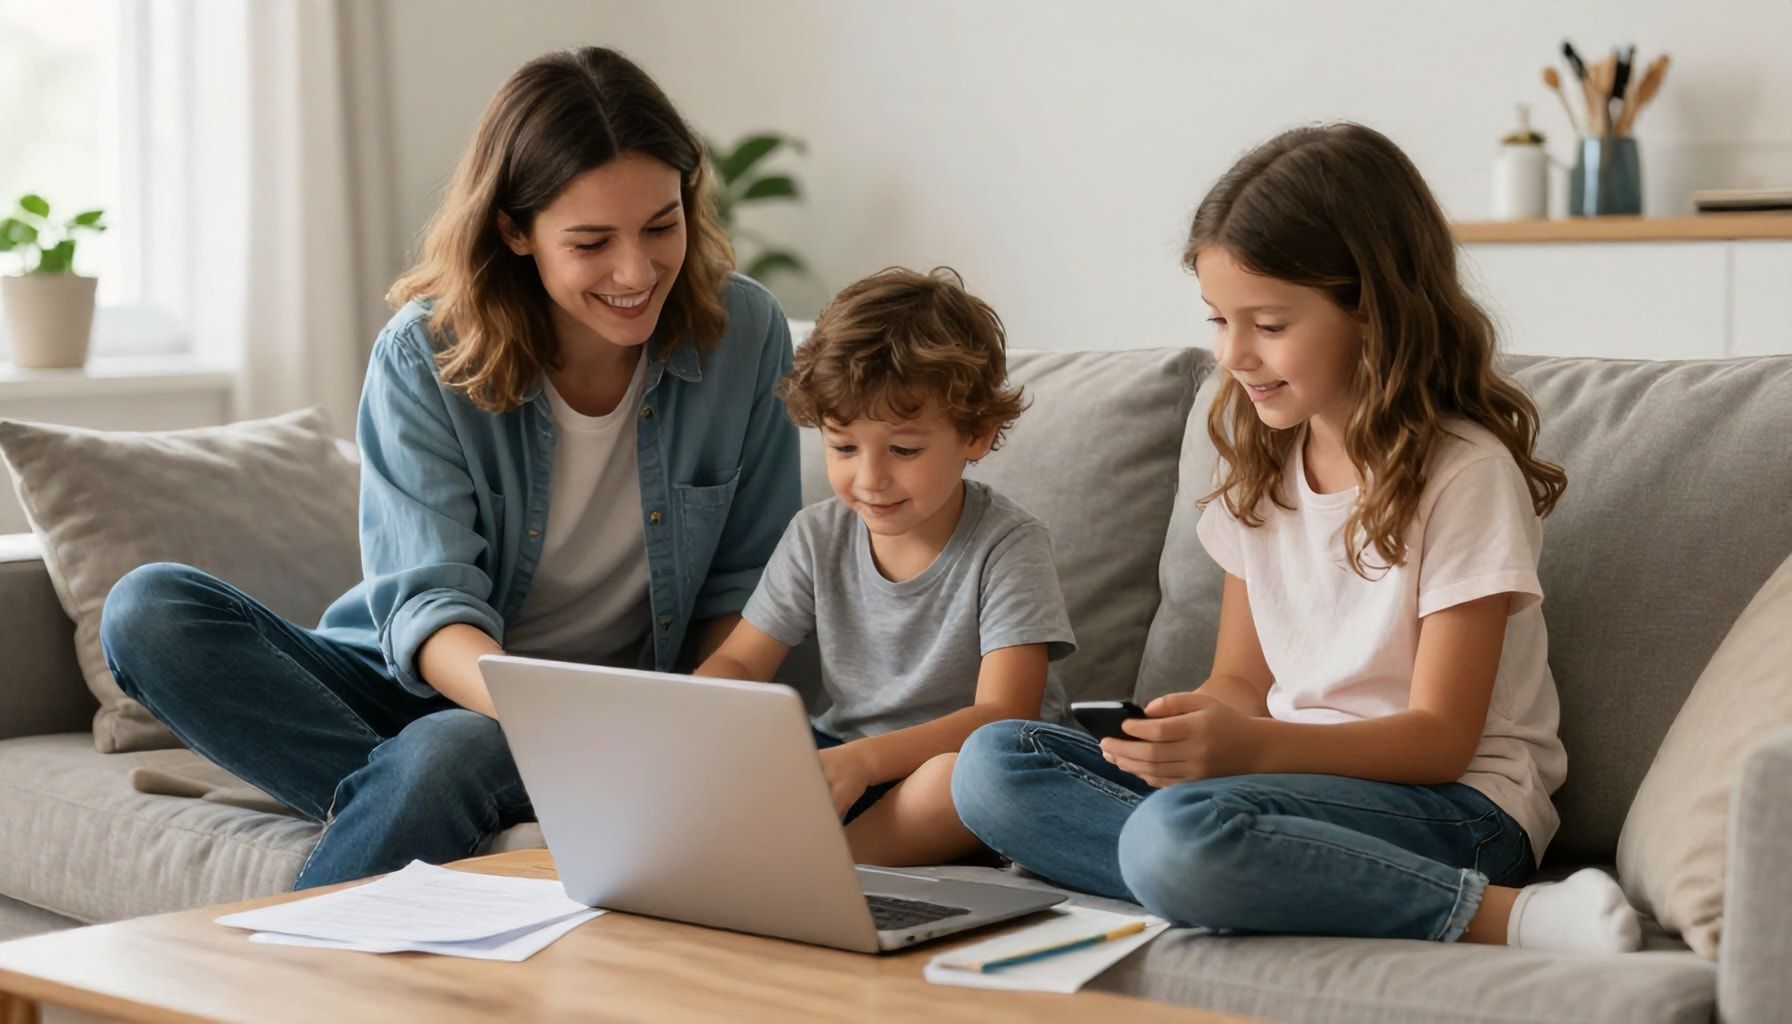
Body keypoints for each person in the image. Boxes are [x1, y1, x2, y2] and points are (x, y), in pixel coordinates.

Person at [100, 47, 800, 889]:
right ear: (515, 231)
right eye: (591, 242)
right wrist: (551, 729)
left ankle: (416, 809)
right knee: (149, 610)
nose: (637, 271)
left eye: (661, 226)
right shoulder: (425, 354)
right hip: (431, 683)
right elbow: (428, 610)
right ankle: (442, 794)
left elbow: (746, 591)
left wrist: (684, 739)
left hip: (618, 714)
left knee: (450, 750)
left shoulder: (744, 334)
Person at [952, 124, 1643, 953]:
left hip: (1459, 808)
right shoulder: (1261, 464)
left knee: (1178, 833)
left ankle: (1504, 915)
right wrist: (1185, 725)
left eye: (1270, 324)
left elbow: (1440, 739)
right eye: (1219, 320)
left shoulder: (1465, 474)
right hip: (1284, 783)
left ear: (1373, 309)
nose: (1235, 355)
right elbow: (1243, 681)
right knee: (994, 766)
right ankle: (1234, 877)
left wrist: (1248, 749)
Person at [697, 267, 1075, 867]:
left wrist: (866, 761)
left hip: (960, 768)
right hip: (845, 758)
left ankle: (813, 870)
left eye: (903, 449)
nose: (870, 479)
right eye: (843, 447)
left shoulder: (1008, 545)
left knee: (961, 779)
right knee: (737, 751)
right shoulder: (816, 535)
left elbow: (1004, 717)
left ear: (977, 435)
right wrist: (697, 719)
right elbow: (742, 660)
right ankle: (780, 861)